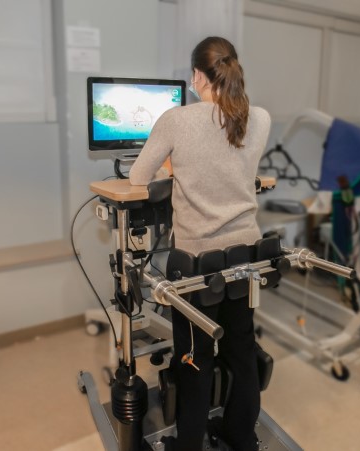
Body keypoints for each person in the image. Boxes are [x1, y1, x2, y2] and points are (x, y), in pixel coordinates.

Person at [129, 36, 271, 451]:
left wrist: (177, 165)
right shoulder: (259, 117)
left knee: (195, 358)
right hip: (247, 256)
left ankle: (188, 444)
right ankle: (240, 436)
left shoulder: (177, 120)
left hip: (196, 263)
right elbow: (235, 162)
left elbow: (139, 178)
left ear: (196, 76)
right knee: (241, 351)